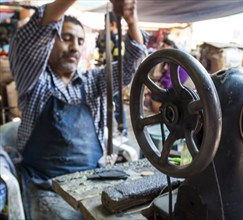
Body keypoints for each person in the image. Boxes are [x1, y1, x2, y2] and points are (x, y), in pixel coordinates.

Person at [4, 0, 148, 219]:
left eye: (80, 41)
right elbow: (31, 39)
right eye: (67, 38)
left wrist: (131, 19)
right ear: (48, 42)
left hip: (92, 181)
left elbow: (132, 66)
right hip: (45, 185)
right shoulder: (34, 82)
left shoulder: (94, 82)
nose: (74, 47)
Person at [96, 12, 128, 138]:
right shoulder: (108, 39)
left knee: (117, 104)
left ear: (113, 24)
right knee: (111, 103)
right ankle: (112, 130)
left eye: (106, 24)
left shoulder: (117, 40)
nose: (105, 27)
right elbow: (101, 50)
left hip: (115, 77)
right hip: (107, 75)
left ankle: (123, 131)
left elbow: (117, 61)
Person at [150, 39, 192, 113]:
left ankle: (160, 113)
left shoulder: (173, 59)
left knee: (155, 95)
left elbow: (168, 82)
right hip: (183, 85)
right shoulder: (176, 56)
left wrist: (158, 86)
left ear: (171, 46)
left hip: (184, 87)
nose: (161, 48)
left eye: (163, 46)